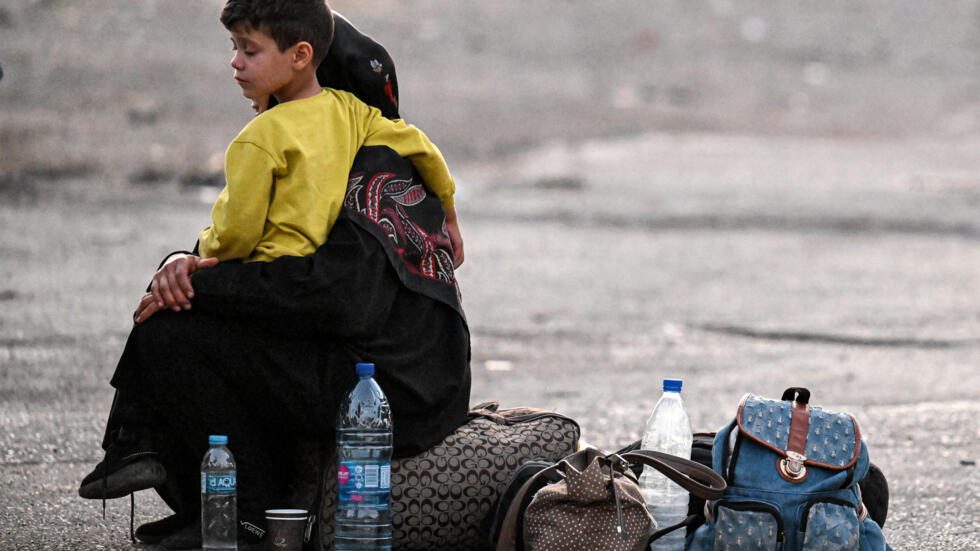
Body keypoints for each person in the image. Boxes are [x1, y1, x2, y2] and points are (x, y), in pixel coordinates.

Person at [77, 4, 471, 549]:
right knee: (182, 311)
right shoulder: (368, 141)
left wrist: (195, 283)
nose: (241, 67)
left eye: (251, 51)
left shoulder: (373, 167)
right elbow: (251, 253)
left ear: (309, 66)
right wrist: (179, 266)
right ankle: (205, 501)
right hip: (369, 361)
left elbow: (331, 297)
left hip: (396, 391)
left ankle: (245, 513)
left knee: (174, 332)